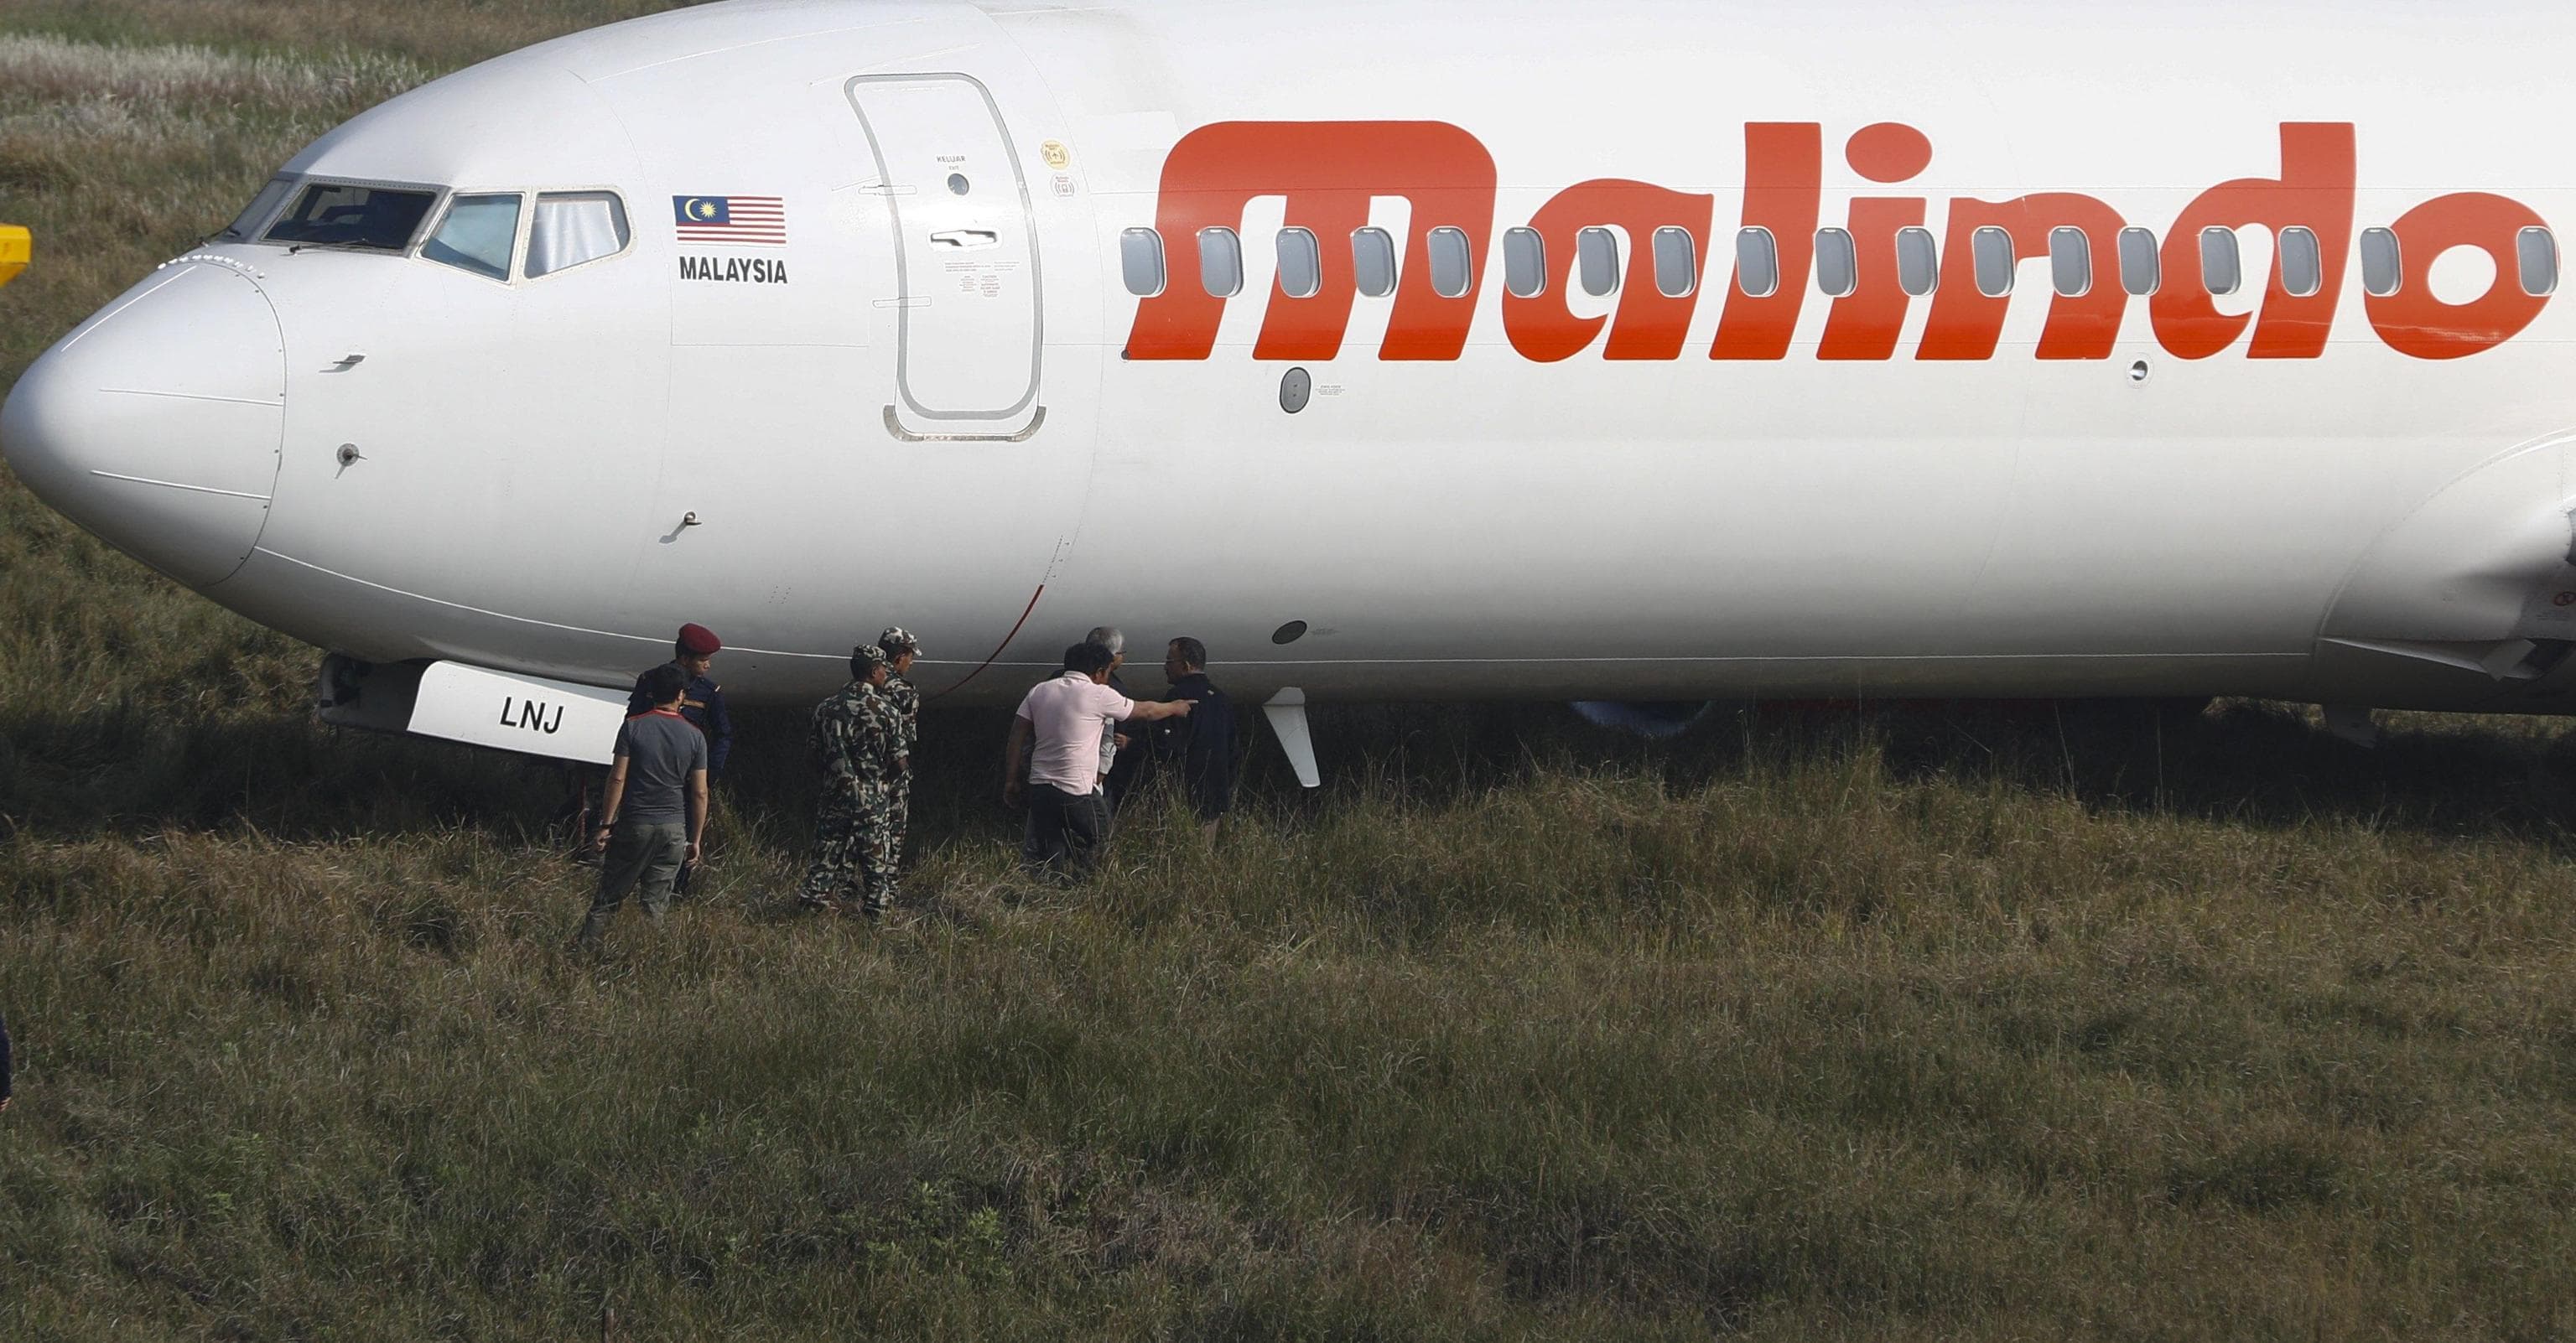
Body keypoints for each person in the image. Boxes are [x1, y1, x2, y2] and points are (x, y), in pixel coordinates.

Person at [1004, 640, 1192, 884]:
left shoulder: (1039, 691)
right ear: (1099, 672)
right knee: (1101, 836)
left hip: (1040, 786)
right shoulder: (1097, 693)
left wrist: (1010, 780)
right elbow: (1145, 711)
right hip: (1076, 788)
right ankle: (1086, 886)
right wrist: (1175, 708)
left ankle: (1049, 892)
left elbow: (1016, 736)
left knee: (1050, 846)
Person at [573, 663, 709, 952]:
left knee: (608, 899)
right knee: (655, 906)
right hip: (674, 828)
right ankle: (649, 958)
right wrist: (695, 839)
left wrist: (606, 824)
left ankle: (585, 953)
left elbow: (618, 777)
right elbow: (699, 792)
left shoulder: (634, 726)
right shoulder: (695, 736)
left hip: (636, 823)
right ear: (681, 695)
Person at [798, 644, 901, 919]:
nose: (885, 676)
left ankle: (811, 906)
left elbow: (811, 755)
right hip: (872, 799)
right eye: (883, 671)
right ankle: (875, 914)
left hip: (835, 795)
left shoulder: (827, 708)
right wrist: (880, 783)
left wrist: (833, 779)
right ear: (873, 672)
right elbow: (900, 762)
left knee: (825, 855)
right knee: (875, 862)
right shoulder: (887, 711)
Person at [1152, 636, 1242, 832]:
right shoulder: (1222, 699)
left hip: (1184, 793)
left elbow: (1167, 746)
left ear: (1185, 666)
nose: (1165, 667)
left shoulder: (1177, 698)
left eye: (1169, 661)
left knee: (1178, 846)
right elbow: (1233, 750)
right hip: (1215, 794)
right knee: (1205, 849)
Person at [627, 622, 733, 778]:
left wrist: (708, 773)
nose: (707, 666)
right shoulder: (650, 680)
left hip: (685, 775)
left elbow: (724, 735)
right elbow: (631, 722)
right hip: (645, 771)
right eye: (702, 660)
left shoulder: (709, 692)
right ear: (684, 659)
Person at [877, 626, 923, 884]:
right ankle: (885, 886)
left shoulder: (864, 682)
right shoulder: (903, 691)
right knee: (893, 831)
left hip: (859, 771)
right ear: (898, 658)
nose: (911, 662)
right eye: (910, 656)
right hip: (892, 772)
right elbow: (906, 737)